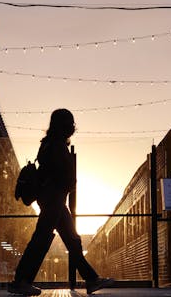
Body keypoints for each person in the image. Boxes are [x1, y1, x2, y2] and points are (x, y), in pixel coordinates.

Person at [9, 109, 113, 296]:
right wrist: (69, 185)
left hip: (53, 199)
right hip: (53, 199)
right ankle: (21, 281)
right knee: (41, 239)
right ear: (63, 125)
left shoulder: (48, 143)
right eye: (70, 123)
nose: (73, 127)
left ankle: (91, 279)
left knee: (72, 240)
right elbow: (59, 174)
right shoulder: (56, 145)